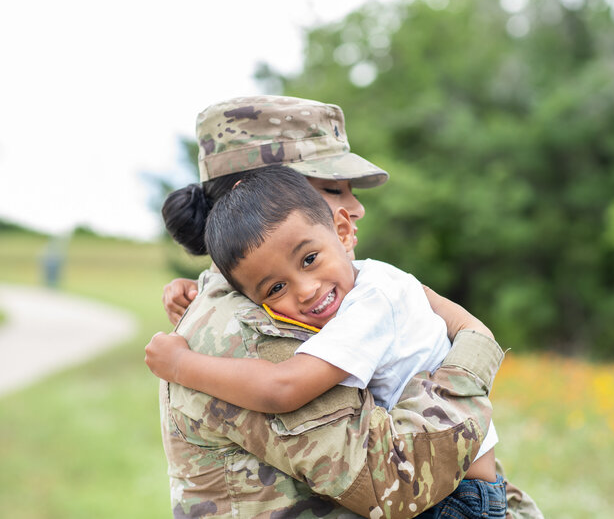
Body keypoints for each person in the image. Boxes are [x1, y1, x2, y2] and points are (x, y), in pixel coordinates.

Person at [148, 95, 543, 519]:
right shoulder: (248, 332)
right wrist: (473, 351)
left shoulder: (301, 298)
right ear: (255, 196)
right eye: (334, 188)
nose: (356, 208)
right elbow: (392, 481)